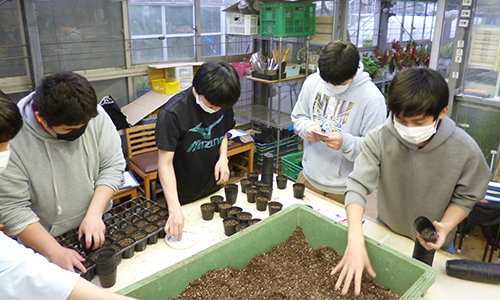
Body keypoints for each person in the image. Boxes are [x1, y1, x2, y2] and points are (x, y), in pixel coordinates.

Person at [331, 68, 491, 296]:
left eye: (418, 122)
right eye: (401, 120)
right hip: (387, 230)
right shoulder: (379, 137)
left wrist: (445, 226)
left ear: (442, 112)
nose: (408, 129)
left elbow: (466, 197)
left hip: (435, 245)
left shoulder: (464, 149)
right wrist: (355, 236)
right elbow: (357, 185)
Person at [0, 90, 134, 300]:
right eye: (70, 129)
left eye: (84, 127)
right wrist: (54, 251)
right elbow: (12, 208)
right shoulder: (12, 136)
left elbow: (113, 165)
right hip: (46, 238)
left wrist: (94, 215)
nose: (79, 132)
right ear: (42, 119)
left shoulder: (94, 114)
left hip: (100, 223)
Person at [291, 41, 387, 204]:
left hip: (344, 189)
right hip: (308, 177)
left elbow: (374, 151)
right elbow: (298, 116)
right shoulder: (313, 81)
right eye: (327, 81)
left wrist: (346, 143)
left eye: (339, 84)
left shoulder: (372, 99)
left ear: (354, 74)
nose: (331, 86)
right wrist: (306, 128)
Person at [156, 61, 240, 240]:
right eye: (211, 106)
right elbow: (164, 163)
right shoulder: (172, 114)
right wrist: (174, 207)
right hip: (182, 195)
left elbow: (223, 133)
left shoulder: (222, 102)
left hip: (213, 187)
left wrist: (223, 158)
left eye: (220, 107)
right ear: (197, 89)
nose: (216, 110)